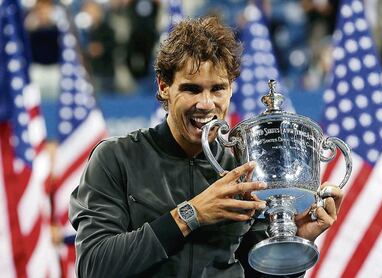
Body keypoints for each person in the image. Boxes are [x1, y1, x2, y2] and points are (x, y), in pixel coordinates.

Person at [69, 17, 344, 277]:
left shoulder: (244, 168)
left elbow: (258, 273)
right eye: (191, 89)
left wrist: (293, 243)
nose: (206, 104)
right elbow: (94, 266)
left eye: (217, 89)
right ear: (164, 87)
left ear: (231, 89)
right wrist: (191, 214)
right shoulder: (116, 158)